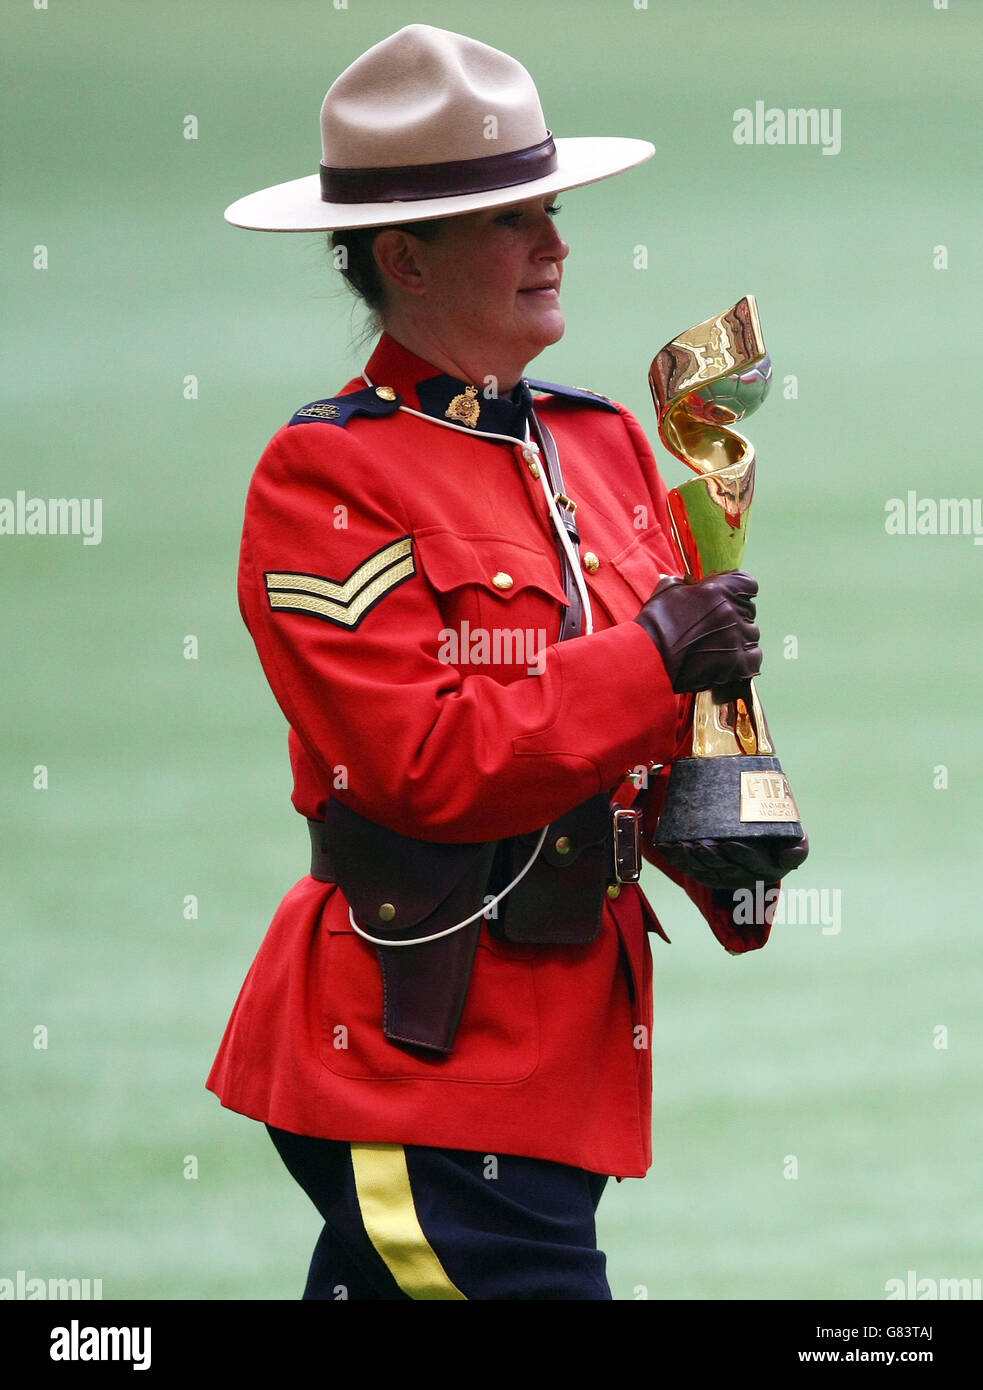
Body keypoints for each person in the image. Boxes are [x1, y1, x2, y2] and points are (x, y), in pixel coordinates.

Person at [207, 24, 807, 1301]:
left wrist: (721, 828)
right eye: (511, 219)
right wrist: (652, 660)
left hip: (559, 1047)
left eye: (547, 207)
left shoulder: (601, 444)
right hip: (412, 1048)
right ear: (403, 260)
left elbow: (642, 735)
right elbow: (424, 763)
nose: (555, 243)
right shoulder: (325, 474)